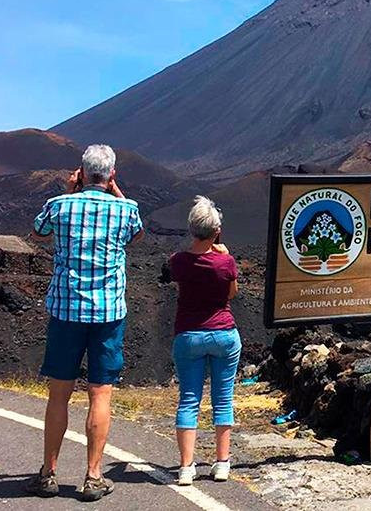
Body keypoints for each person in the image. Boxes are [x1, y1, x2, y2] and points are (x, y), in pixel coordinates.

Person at [26, 144, 144, 502]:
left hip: (66, 313)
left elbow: (38, 231)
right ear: (111, 175)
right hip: (107, 315)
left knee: (59, 394)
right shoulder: (126, 209)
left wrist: (69, 191)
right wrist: (116, 190)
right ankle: (93, 476)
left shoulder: (60, 206)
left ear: (80, 172)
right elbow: (138, 235)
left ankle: (48, 473)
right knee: (100, 393)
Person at [168, 196, 241, 485]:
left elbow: (180, 278)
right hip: (224, 333)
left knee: (189, 400)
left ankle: (186, 468)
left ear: (191, 229)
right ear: (217, 231)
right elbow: (231, 294)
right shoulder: (226, 262)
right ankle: (222, 463)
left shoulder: (178, 262)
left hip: (189, 335)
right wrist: (224, 254)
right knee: (223, 399)